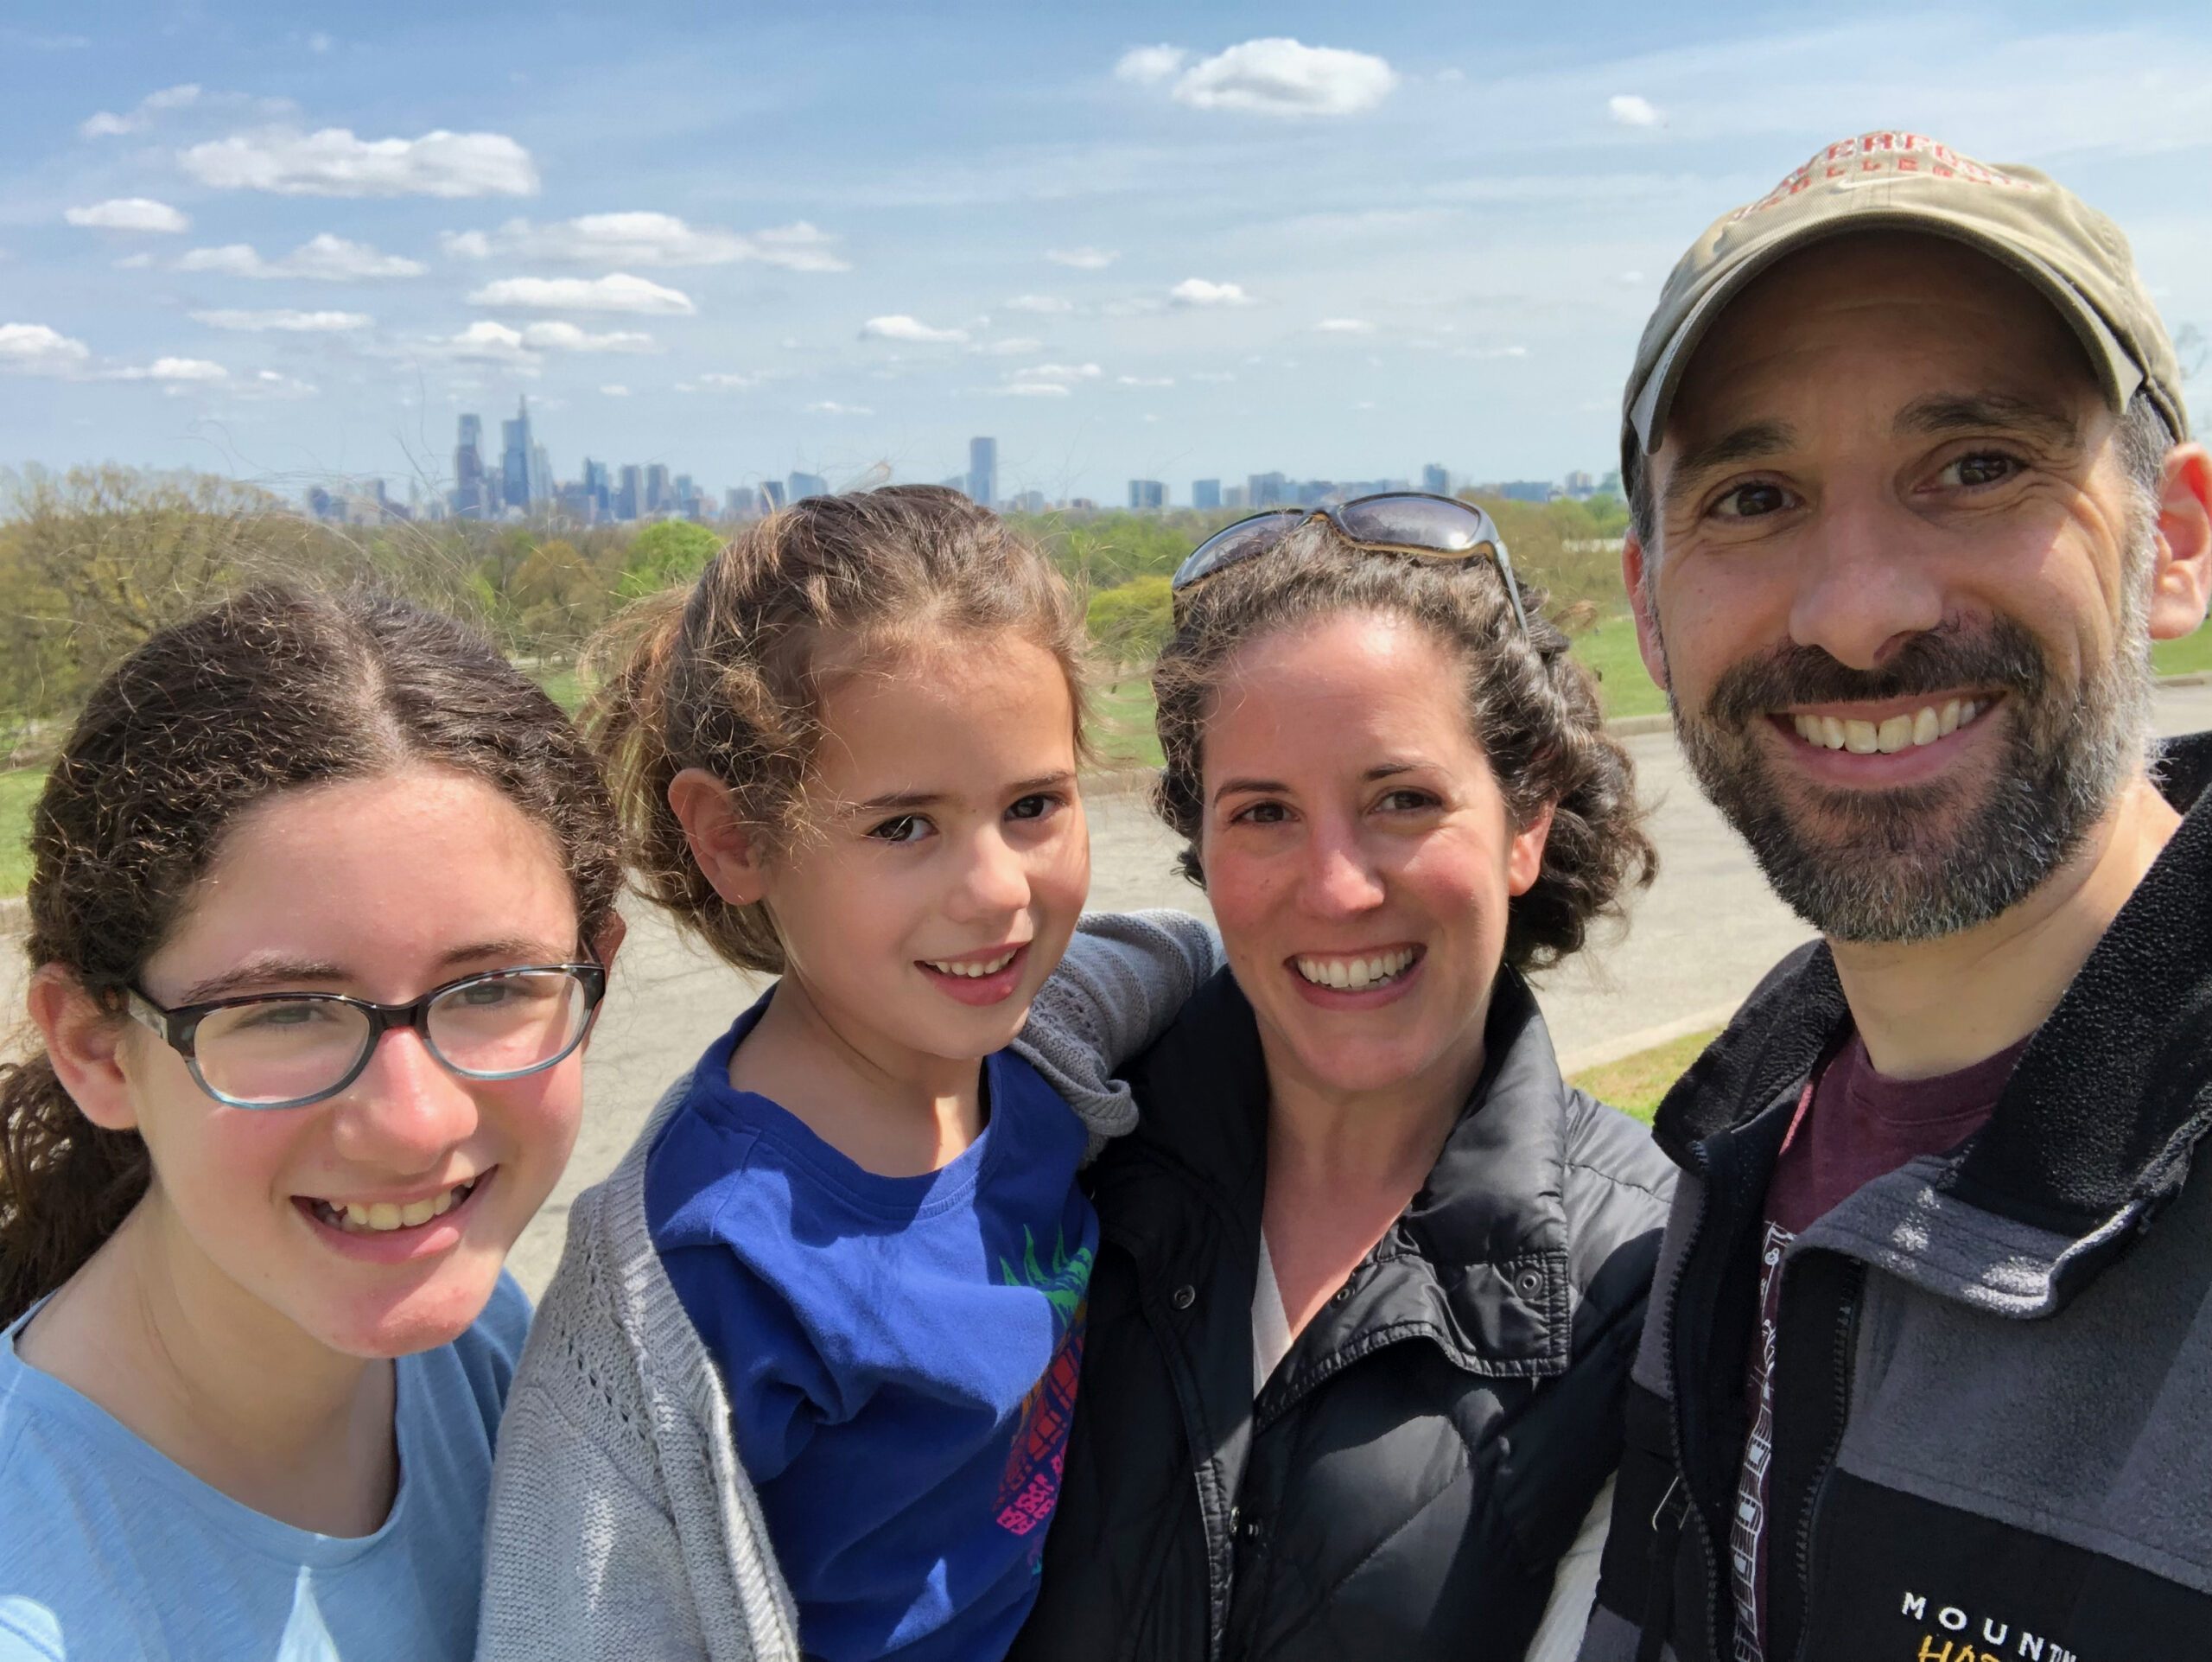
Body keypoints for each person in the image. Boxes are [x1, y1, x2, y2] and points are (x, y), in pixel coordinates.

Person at [1577, 132, 2212, 1662]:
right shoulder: (1731, 1166)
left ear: (2176, 541)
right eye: (1753, 493)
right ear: (1653, 609)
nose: (1862, 613)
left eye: (1979, 467)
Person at [476, 487, 1221, 1662]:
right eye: (902, 826)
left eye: (1033, 805)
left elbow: (1211, 955)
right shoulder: (690, 1275)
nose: (998, 890)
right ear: (735, 839)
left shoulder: (1045, 1041)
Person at [1009, 494, 1677, 1662]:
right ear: (1199, 847)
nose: (1335, 887)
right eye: (1262, 812)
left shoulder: (1651, 1277)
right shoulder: (1045, 1148)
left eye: (1402, 800)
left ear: (1526, 821)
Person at [0, 587, 626, 1662]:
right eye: (284, 1009)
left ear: (595, 972)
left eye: (491, 988)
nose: (414, 1124)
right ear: (98, 1048)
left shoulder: (472, 1345)